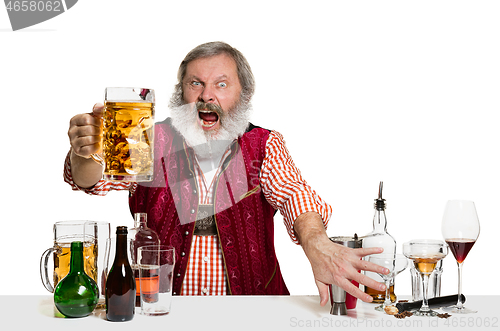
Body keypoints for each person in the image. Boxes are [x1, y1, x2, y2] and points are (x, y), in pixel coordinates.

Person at [65, 41, 388, 304]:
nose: (207, 96)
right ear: (181, 94)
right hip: (159, 312)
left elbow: (295, 195)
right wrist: (84, 153)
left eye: (221, 84)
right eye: (196, 84)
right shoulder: (150, 139)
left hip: (251, 315)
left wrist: (317, 243)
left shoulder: (264, 144)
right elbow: (90, 179)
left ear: (243, 95)